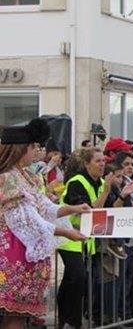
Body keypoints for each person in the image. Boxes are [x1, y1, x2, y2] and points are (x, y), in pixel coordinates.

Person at [0, 118, 89, 329]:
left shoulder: (25, 176)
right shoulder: (7, 178)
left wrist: (73, 209)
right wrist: (66, 232)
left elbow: (45, 206)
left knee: (19, 316)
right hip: (13, 251)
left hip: (24, 249)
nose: (37, 151)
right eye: (34, 147)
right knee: (14, 314)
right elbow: (26, 219)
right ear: (20, 149)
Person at [57, 147, 115, 329]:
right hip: (68, 235)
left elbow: (112, 207)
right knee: (77, 277)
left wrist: (122, 194)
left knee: (73, 279)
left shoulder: (102, 182)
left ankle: (65, 319)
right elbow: (88, 212)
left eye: (104, 161)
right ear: (86, 163)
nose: (102, 164)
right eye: (98, 161)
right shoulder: (77, 182)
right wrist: (105, 192)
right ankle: (72, 321)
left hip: (85, 238)